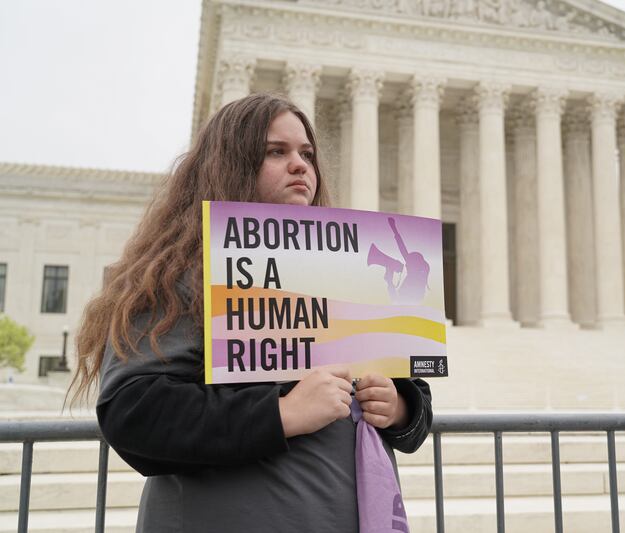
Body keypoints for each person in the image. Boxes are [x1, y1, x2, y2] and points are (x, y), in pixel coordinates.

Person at [68, 93, 433, 532]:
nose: (300, 165)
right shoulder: (180, 273)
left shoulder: (346, 275)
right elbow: (134, 413)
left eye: (307, 154)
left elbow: (413, 399)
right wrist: (283, 413)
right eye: (275, 152)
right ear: (229, 165)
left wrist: (398, 407)